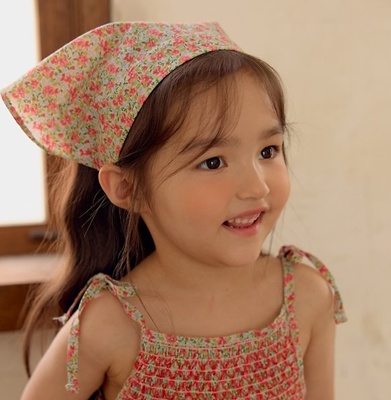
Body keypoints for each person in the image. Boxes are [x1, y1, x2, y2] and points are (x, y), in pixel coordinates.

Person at [1, 21, 346, 399]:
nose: (257, 187)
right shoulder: (111, 325)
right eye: (213, 162)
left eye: (268, 151)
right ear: (128, 188)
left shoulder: (307, 297)